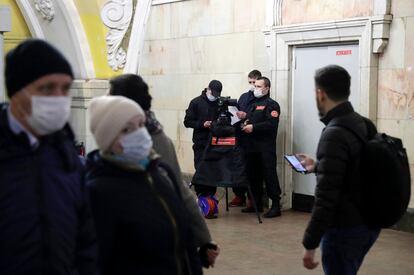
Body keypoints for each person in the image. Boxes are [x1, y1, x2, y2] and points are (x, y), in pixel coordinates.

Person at [0, 39, 97, 274]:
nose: (58, 97)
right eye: (46, 88)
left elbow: (87, 241)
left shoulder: (68, 158)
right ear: (17, 91)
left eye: (65, 89)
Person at [108, 73, 219, 266]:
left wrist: (204, 241)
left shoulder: (157, 140)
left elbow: (179, 189)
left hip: (153, 234)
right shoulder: (109, 133)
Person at [86, 96, 204, 275]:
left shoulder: (159, 174)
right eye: (126, 129)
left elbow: (183, 238)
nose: (138, 133)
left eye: (141, 124)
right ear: (107, 140)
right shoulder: (98, 191)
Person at [299, 65, 380, 275]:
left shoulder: (334, 133)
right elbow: (355, 169)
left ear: (320, 94)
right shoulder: (362, 122)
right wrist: (318, 167)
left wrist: (310, 244)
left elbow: (326, 197)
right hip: (368, 222)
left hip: (345, 227)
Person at [240, 76, 282, 218]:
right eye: (255, 86)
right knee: (253, 177)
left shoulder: (272, 105)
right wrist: (244, 122)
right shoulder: (253, 104)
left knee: (269, 176)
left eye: (258, 86)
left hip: (265, 147)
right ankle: (255, 204)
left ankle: (276, 205)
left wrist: (254, 127)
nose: (255, 89)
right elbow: (249, 120)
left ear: (267, 88)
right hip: (251, 147)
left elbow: (271, 124)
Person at [184, 80, 222, 199]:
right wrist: (202, 124)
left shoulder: (219, 103)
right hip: (200, 142)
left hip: (215, 143)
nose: (214, 97)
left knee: (213, 170)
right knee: (201, 169)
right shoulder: (195, 102)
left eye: (217, 95)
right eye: (213, 93)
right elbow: (187, 122)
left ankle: (211, 196)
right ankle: (201, 195)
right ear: (208, 89)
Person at [229, 69, 262, 207]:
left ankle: (253, 199)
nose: (252, 85)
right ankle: (239, 195)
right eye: (250, 82)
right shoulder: (243, 97)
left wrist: (247, 118)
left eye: (255, 82)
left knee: (254, 172)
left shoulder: (262, 99)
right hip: (241, 137)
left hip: (255, 140)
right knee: (238, 168)